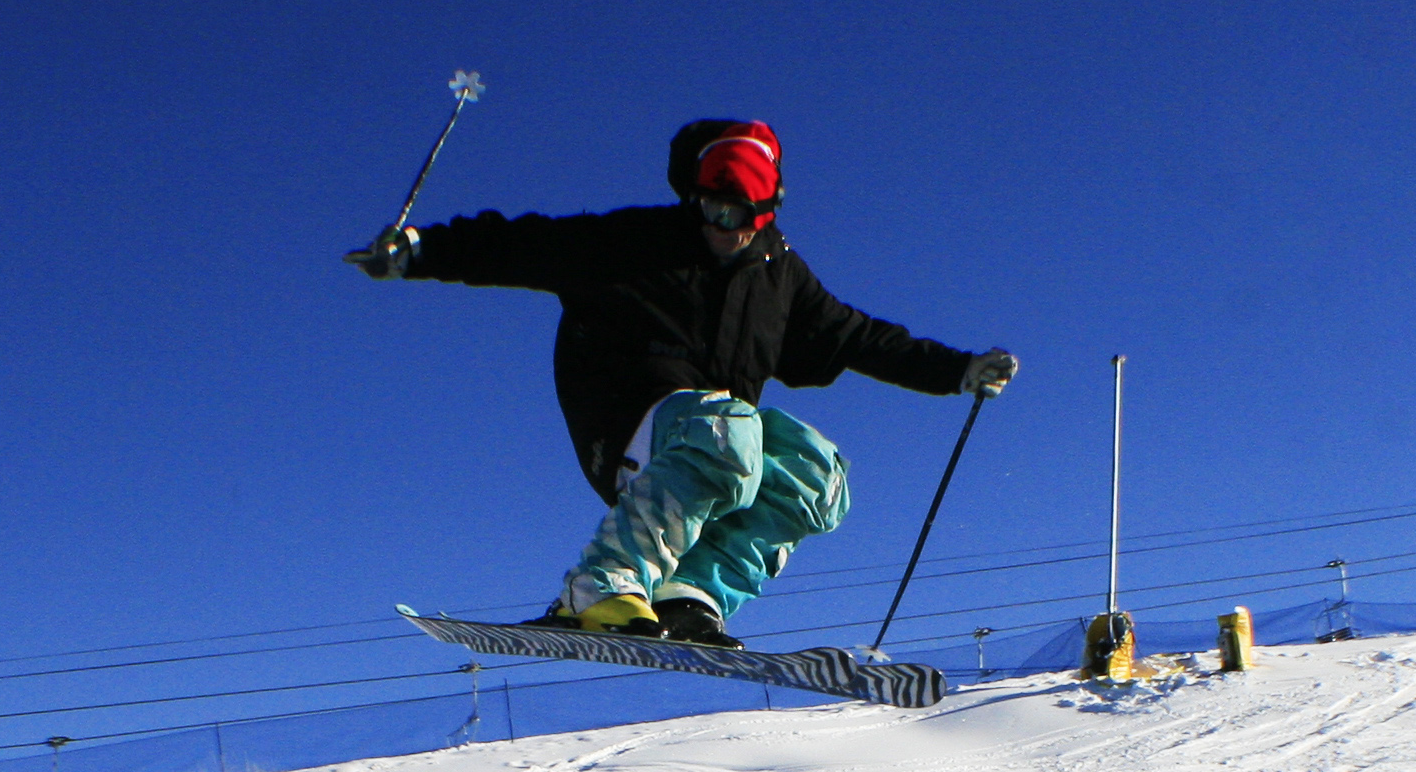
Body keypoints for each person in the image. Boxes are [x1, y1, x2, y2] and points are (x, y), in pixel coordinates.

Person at [348, 118, 1015, 647]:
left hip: (719, 449)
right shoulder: (637, 243)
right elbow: (523, 244)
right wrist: (417, 251)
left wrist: (956, 370)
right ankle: (598, 586)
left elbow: (859, 336)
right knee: (729, 429)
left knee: (818, 475)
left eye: (740, 217)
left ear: (769, 211)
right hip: (626, 425)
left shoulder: (780, 275)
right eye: (711, 211)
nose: (723, 230)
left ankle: (689, 594)